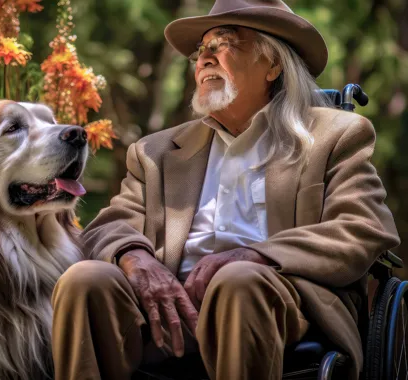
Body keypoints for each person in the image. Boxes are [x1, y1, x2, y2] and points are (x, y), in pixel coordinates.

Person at [51, 0, 401, 379]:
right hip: (167, 311)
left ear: (273, 65)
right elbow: (108, 225)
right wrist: (137, 258)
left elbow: (362, 227)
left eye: (224, 43)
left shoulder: (333, 135)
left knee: (237, 282)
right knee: (85, 279)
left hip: (281, 303)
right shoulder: (155, 152)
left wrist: (255, 255)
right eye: (201, 51)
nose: (204, 59)